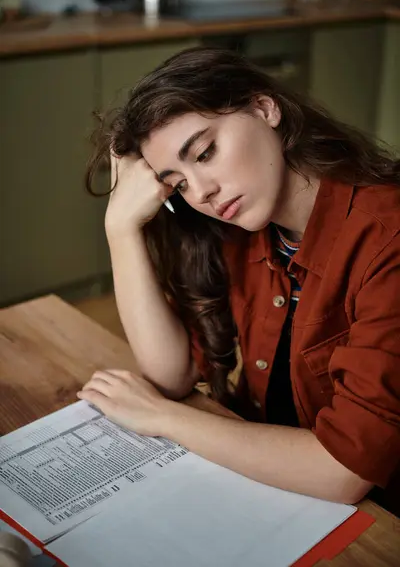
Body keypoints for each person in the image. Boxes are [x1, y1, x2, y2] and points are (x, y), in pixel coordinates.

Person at [81, 47, 400, 516]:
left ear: (264, 108)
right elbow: (171, 373)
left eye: (205, 152)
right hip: (280, 495)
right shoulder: (243, 229)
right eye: (179, 184)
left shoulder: (387, 240)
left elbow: (344, 470)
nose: (203, 191)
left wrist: (162, 418)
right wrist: (120, 229)